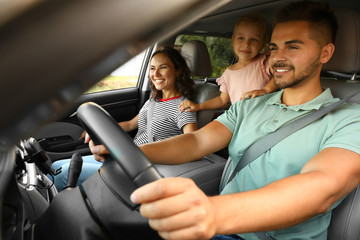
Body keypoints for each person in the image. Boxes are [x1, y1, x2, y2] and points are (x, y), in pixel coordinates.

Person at [88, 2, 360, 239]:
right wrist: (128, 152)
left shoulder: (349, 119)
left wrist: (213, 213)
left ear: (325, 53)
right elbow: (197, 140)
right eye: (275, 47)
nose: (278, 57)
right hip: (218, 229)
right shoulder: (250, 105)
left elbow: (321, 186)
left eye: (293, 47)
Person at [52, 46, 198, 190]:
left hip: (143, 167)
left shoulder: (183, 106)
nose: (156, 74)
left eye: (163, 67)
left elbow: (192, 144)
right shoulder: (153, 101)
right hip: (127, 158)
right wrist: (97, 131)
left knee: (63, 175)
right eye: (152, 68)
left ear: (178, 71)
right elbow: (129, 125)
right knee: (56, 166)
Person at [178, 14, 277, 113]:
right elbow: (222, 100)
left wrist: (266, 90)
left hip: (265, 117)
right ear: (233, 40)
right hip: (241, 120)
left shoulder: (265, 62)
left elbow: (279, 76)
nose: (246, 44)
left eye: (254, 39)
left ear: (263, 43)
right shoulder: (228, 74)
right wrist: (198, 106)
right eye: (241, 38)